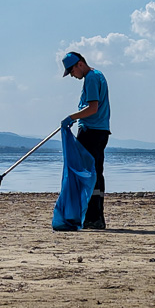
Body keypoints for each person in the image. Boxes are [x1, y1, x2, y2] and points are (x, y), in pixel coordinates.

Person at [61, 51, 109, 229]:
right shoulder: (97, 75)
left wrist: (71, 117)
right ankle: (95, 217)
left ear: (79, 64)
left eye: (72, 71)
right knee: (95, 172)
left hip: (91, 132)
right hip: (99, 131)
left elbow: (92, 108)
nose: (73, 76)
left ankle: (93, 217)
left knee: (89, 174)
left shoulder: (91, 78)